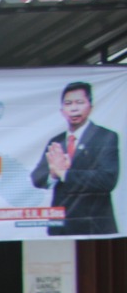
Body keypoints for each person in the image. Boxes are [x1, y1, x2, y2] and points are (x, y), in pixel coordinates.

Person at [30, 80, 119, 237]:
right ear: (62, 110)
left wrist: (65, 173)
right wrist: (53, 174)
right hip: (61, 227)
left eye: (79, 102)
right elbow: (37, 178)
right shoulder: (56, 141)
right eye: (68, 103)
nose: (74, 108)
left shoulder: (106, 137)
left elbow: (107, 180)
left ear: (90, 106)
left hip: (94, 226)